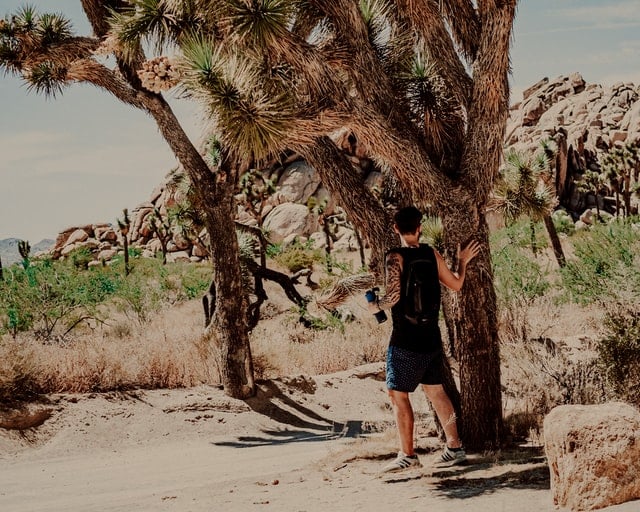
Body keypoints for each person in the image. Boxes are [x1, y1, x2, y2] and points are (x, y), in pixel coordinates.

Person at [368, 206, 480, 473]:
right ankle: (454, 447)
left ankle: (407, 454)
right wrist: (462, 261)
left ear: (395, 228)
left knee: (397, 394)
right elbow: (456, 284)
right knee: (436, 391)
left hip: (405, 338)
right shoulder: (431, 253)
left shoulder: (395, 257)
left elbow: (393, 297)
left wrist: (376, 306)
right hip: (431, 336)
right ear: (420, 228)